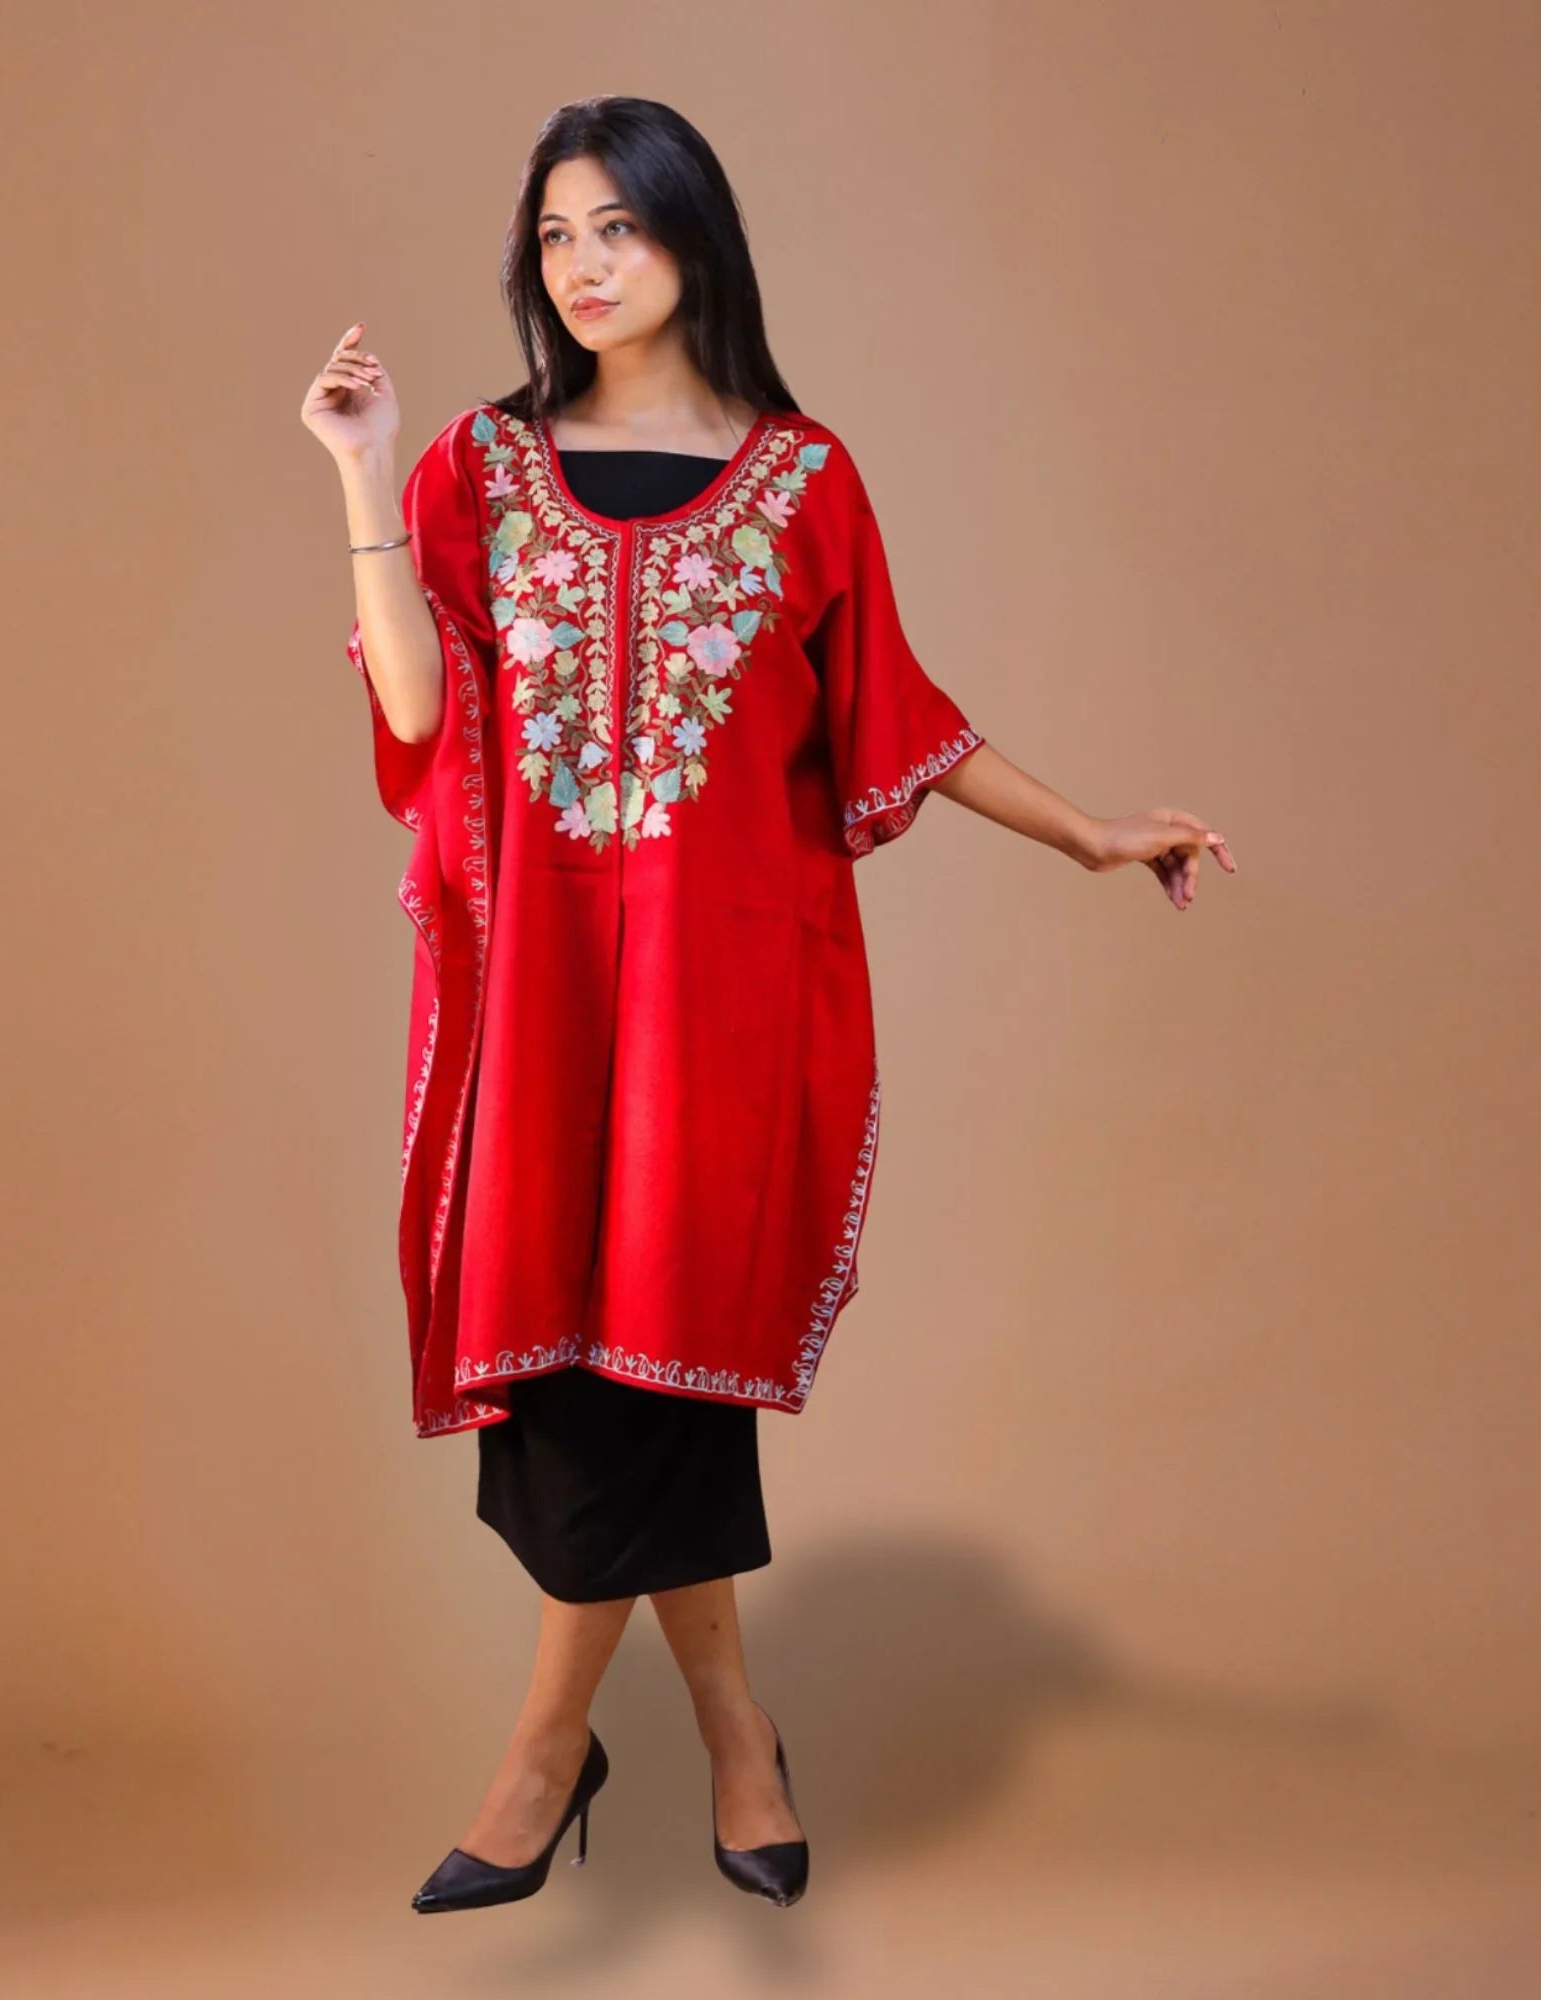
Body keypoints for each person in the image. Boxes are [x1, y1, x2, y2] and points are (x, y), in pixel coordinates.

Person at [302, 95, 1236, 1915]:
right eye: (558, 236)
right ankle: (732, 1733)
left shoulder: (804, 484)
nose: (583, 267)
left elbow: (899, 715)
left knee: (661, 1352)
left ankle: (541, 1757)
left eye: (619, 231)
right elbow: (415, 719)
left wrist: (1091, 837)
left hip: (724, 1016)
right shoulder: (474, 477)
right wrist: (360, 474)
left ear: (693, 242)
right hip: (538, 1010)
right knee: (587, 1380)